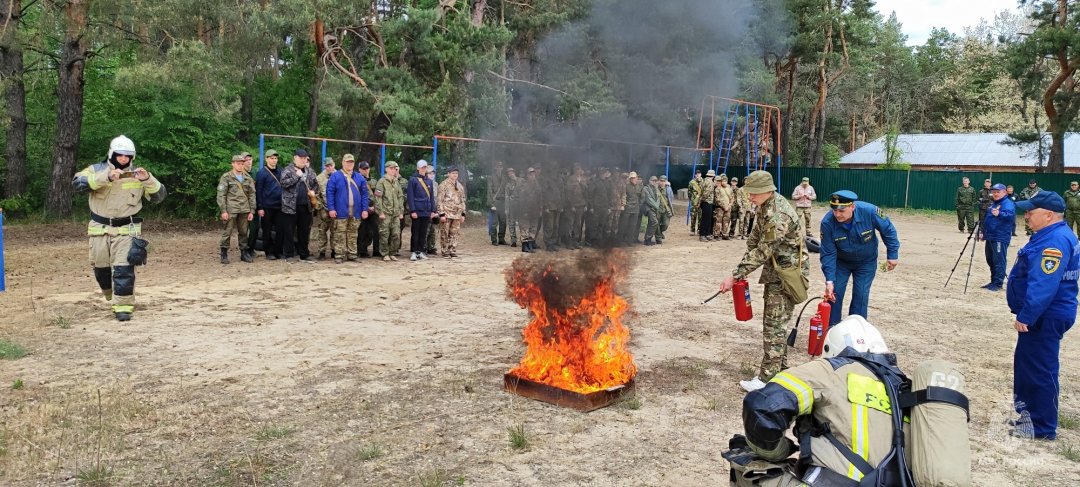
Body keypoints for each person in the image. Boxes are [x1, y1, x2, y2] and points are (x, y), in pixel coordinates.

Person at [729, 316, 915, 486]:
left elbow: (762, 408)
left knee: (746, 462)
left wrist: (778, 451)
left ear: (830, 350)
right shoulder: (907, 389)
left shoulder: (831, 370)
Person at [716, 170, 808, 391]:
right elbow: (755, 240)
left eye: (753, 193)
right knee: (775, 324)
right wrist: (745, 267)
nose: (750, 197)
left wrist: (735, 275)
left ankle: (766, 379)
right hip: (775, 273)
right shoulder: (765, 207)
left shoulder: (779, 215)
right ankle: (781, 372)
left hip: (786, 276)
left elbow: (764, 250)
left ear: (767, 191)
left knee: (774, 326)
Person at [1006, 191, 1079, 440]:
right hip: (1046, 313)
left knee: (1039, 369)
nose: (1026, 216)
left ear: (1048, 215)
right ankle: (1030, 417)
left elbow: (1044, 285)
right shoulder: (1052, 234)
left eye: (1031, 212)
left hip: (1045, 315)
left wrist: (1027, 315)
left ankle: (1041, 426)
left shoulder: (1054, 241)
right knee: (1029, 366)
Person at [71, 135, 166, 321]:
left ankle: (123, 307)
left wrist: (147, 179)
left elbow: (159, 196)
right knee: (101, 269)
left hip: (127, 230)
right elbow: (77, 184)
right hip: (100, 229)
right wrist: (106, 177)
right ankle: (108, 293)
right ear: (112, 154)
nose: (124, 159)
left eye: (127, 156)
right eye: (120, 155)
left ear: (133, 157)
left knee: (124, 269)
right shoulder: (96, 170)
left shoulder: (139, 175)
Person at [819, 190, 900, 326]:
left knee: (861, 294)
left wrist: (892, 255)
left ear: (852, 206)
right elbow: (828, 253)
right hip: (841, 262)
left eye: (842, 210)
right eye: (834, 210)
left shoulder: (870, 211)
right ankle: (831, 329)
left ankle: (856, 328)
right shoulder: (827, 223)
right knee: (835, 293)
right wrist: (829, 280)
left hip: (866, 262)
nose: (837, 214)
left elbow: (888, 230)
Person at [326, 154, 370, 263]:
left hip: (356, 211)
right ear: (343, 162)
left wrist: (364, 209)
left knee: (353, 234)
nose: (349, 164)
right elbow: (330, 193)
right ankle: (339, 255)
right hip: (340, 211)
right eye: (347, 162)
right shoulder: (335, 176)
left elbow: (365, 194)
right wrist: (331, 208)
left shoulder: (359, 177)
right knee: (339, 234)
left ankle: (352, 254)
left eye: (351, 162)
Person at [279, 148, 319, 263]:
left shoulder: (310, 171)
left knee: (304, 231)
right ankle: (289, 255)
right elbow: (283, 184)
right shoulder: (288, 170)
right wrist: (296, 176)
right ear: (295, 158)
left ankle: (304, 254)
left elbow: (315, 184)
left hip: (305, 206)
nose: (303, 160)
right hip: (290, 206)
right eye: (300, 158)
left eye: (304, 158)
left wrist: (313, 191)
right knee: (289, 231)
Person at [217, 154, 256, 264]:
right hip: (231, 209)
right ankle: (224, 253)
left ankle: (244, 253)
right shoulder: (226, 177)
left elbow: (252, 195)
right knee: (227, 231)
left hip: (244, 209)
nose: (240, 165)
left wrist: (252, 210)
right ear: (233, 164)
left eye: (242, 163)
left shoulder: (248, 178)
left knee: (243, 232)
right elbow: (221, 195)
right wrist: (223, 210)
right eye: (238, 163)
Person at [981, 183, 1015, 291]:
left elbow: (1010, 217)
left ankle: (998, 283)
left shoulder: (1007, 203)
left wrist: (1000, 214)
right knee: (990, 259)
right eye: (994, 192)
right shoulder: (994, 204)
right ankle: (993, 281)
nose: (995, 194)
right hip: (990, 236)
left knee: (998, 260)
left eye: (997, 192)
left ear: (1004, 192)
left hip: (1000, 237)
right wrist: (983, 232)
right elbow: (989, 219)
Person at [256, 149, 284, 259]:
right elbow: (259, 190)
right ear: (266, 159)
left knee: (280, 230)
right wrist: (260, 207)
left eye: (276, 158)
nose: (274, 160)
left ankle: (278, 251)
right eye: (272, 158)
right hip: (267, 206)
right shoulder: (262, 173)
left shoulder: (281, 171)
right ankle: (269, 252)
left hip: (279, 206)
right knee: (266, 230)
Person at [374, 161, 405, 262]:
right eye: (391, 168)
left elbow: (400, 197)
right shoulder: (381, 182)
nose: (393, 170)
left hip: (395, 214)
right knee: (384, 234)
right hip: (386, 213)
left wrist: (401, 211)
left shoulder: (396, 182)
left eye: (395, 169)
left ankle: (392, 252)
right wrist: (380, 212)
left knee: (396, 234)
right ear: (386, 169)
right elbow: (378, 198)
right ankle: (385, 253)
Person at [407, 160, 436, 261]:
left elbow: (431, 197)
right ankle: (414, 252)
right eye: (422, 167)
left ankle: (421, 251)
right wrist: (412, 210)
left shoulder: (429, 181)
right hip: (417, 210)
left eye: (425, 167)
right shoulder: (413, 180)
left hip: (426, 210)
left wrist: (433, 210)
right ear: (418, 168)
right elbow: (410, 197)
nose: (424, 169)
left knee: (423, 233)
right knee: (415, 232)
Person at [437, 166, 467, 257]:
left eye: (456, 173)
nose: (455, 175)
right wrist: (441, 213)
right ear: (448, 174)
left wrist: (463, 214)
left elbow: (463, 200)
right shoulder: (443, 185)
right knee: (445, 232)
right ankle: (444, 250)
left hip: (457, 214)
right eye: (453, 173)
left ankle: (452, 250)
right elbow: (439, 200)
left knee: (455, 233)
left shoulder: (459, 186)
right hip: (447, 213)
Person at [312, 157, 337, 260]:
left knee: (335, 231)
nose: (329, 167)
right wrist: (320, 207)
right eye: (327, 166)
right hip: (324, 209)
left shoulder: (340, 176)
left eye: (331, 165)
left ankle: (334, 251)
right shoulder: (319, 178)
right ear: (324, 166)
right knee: (322, 231)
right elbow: (316, 194)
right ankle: (321, 252)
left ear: (334, 165)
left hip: (337, 209)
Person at [356, 160, 380, 258]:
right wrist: (366, 208)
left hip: (373, 208)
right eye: (363, 168)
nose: (366, 170)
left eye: (367, 168)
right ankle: (362, 251)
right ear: (359, 169)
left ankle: (376, 250)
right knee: (362, 230)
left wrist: (375, 207)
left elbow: (378, 195)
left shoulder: (374, 181)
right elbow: (357, 195)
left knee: (375, 230)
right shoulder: (356, 180)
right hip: (362, 208)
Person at [516, 167, 543, 252]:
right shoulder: (523, 185)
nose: (532, 176)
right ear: (527, 175)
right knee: (525, 228)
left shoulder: (537, 185)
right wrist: (524, 211)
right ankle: (525, 246)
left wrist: (540, 209)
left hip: (535, 210)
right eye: (530, 174)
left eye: (533, 174)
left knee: (533, 228)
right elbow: (521, 199)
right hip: (525, 211)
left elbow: (540, 198)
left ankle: (530, 245)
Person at [487, 160, 509, 245]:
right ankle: (494, 239)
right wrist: (491, 204)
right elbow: (489, 191)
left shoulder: (504, 178)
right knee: (494, 223)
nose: (499, 168)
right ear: (495, 168)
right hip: (495, 201)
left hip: (503, 202)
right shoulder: (491, 177)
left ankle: (501, 239)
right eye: (498, 166)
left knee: (503, 222)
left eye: (501, 167)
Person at [640, 175, 661, 246]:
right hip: (647, 208)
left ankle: (647, 239)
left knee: (651, 223)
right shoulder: (646, 188)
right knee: (654, 222)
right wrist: (656, 206)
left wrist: (656, 206)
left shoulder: (656, 189)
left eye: (655, 181)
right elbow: (649, 200)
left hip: (654, 208)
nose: (654, 182)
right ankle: (648, 238)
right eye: (653, 180)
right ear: (649, 181)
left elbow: (658, 198)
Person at [713, 174, 733, 240]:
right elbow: (717, 199)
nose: (724, 182)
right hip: (720, 208)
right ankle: (717, 235)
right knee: (718, 222)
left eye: (725, 181)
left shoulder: (729, 189)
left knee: (726, 222)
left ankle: (725, 234)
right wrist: (724, 207)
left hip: (728, 208)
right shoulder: (718, 189)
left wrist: (729, 205)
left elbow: (732, 198)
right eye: (723, 181)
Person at [698, 169, 716, 242]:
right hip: (707, 202)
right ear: (713, 176)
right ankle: (702, 235)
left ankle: (707, 234)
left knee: (707, 219)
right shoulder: (710, 182)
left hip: (705, 202)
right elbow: (706, 193)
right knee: (706, 219)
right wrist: (703, 200)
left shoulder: (704, 180)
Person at [688, 170, 703, 235]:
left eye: (699, 174)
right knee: (693, 216)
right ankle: (692, 230)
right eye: (696, 174)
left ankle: (699, 230)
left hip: (701, 202)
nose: (698, 175)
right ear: (695, 175)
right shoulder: (691, 182)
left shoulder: (704, 182)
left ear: (701, 174)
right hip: (694, 202)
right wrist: (692, 199)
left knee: (700, 216)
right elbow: (689, 192)